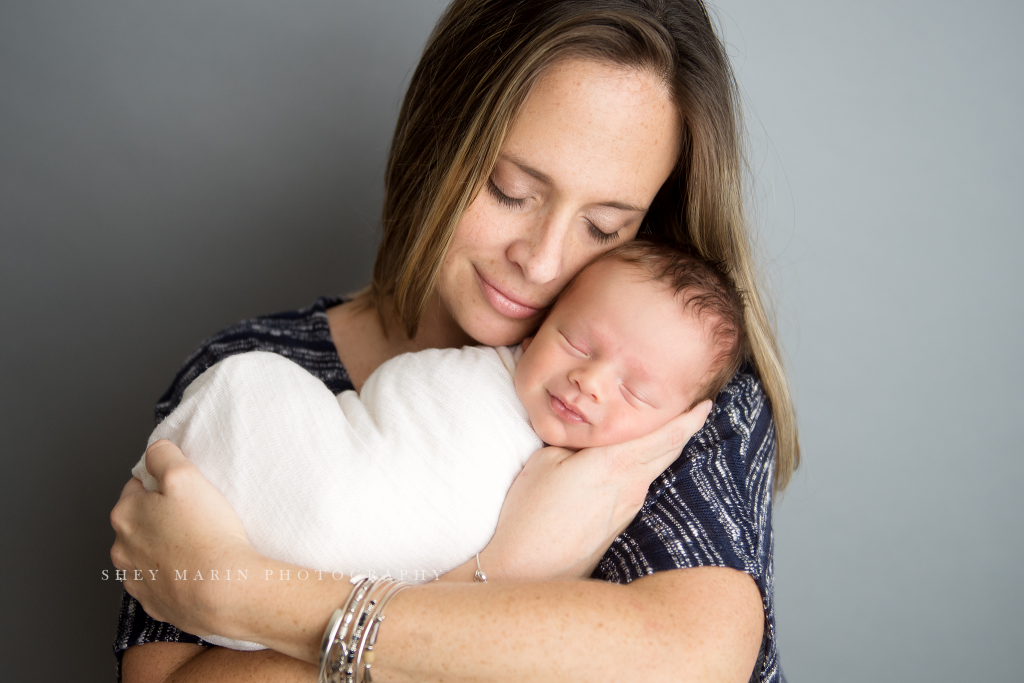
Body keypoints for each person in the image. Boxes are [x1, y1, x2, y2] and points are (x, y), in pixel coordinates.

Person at [109, 1, 800, 682]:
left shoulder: (658, 389)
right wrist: (503, 571)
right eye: (511, 190)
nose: (544, 260)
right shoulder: (249, 374)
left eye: (603, 227)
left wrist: (245, 594)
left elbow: (687, 660)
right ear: (436, 136)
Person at [129, 243, 744, 653]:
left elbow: (688, 656)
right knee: (251, 386)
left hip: (262, 584)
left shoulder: (671, 459)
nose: (589, 381)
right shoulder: (478, 378)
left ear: (682, 421)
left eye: (635, 392)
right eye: (576, 343)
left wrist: (248, 595)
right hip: (277, 492)